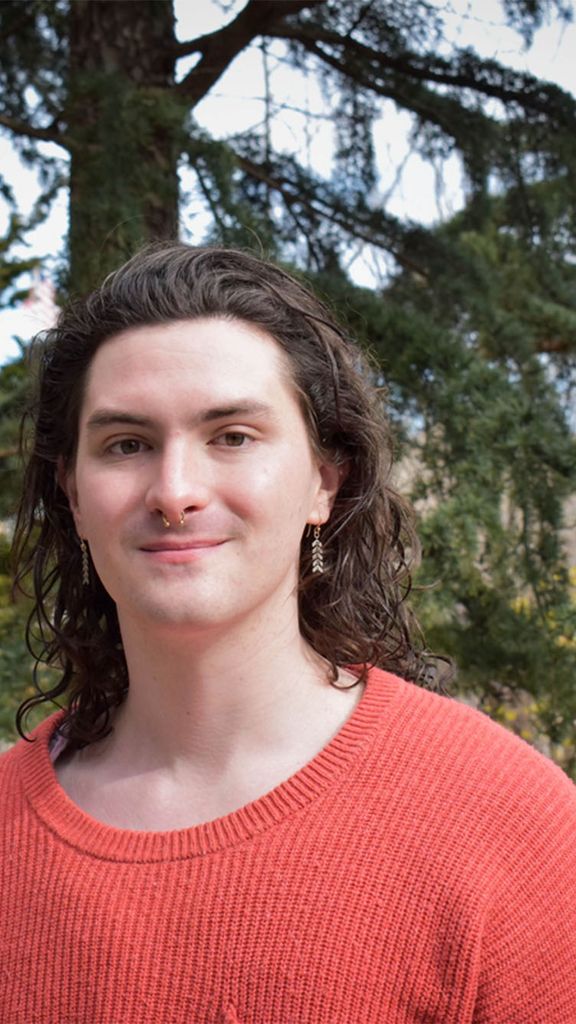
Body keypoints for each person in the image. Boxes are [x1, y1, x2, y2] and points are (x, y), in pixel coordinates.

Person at [1, 244, 575, 1024]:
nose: (175, 492)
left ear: (323, 480)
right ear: (72, 492)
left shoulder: (510, 826)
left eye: (232, 435)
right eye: (126, 444)